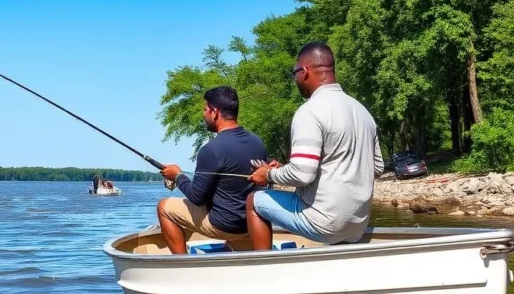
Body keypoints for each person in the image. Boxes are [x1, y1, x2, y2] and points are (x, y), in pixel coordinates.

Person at [246, 42, 384, 249]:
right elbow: (377, 168)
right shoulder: (362, 111)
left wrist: (268, 175)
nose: (295, 79)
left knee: (253, 201)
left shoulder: (309, 111)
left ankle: (264, 264)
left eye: (294, 73)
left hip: (325, 224)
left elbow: (302, 175)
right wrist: (285, 169)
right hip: (358, 226)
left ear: (305, 71)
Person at [157, 86, 268, 254]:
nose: (204, 114)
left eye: (205, 109)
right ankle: (235, 247)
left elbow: (196, 198)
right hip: (252, 223)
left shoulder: (211, 150)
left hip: (225, 225)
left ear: (214, 112)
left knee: (164, 207)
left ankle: (182, 262)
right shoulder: (257, 142)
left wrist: (178, 176)